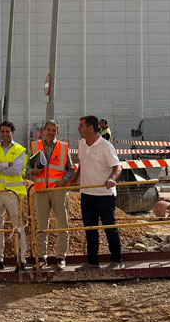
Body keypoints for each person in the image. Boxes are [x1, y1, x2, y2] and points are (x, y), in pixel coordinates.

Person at [74, 115, 124, 270]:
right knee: (90, 229)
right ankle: (92, 262)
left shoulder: (106, 146)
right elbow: (82, 162)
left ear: (90, 128)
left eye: (81, 125)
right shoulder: (82, 144)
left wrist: (112, 179)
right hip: (87, 194)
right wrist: (76, 178)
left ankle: (117, 260)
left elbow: (117, 167)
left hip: (104, 195)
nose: (78, 127)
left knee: (110, 228)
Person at [30, 120, 76, 270]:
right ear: (43, 131)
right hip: (41, 191)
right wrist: (32, 171)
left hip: (59, 191)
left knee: (62, 224)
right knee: (41, 225)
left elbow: (71, 170)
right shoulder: (35, 146)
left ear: (57, 132)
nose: (51, 132)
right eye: (48, 129)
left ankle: (61, 257)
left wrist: (64, 181)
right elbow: (27, 168)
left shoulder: (63, 148)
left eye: (54, 130)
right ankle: (42, 257)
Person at [0, 121, 28, 271]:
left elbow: (16, 170)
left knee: (18, 226)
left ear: (12, 133)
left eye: (7, 131)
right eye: (2, 131)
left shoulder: (20, 149)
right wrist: (6, 164)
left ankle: (21, 260)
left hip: (12, 193)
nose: (4, 134)